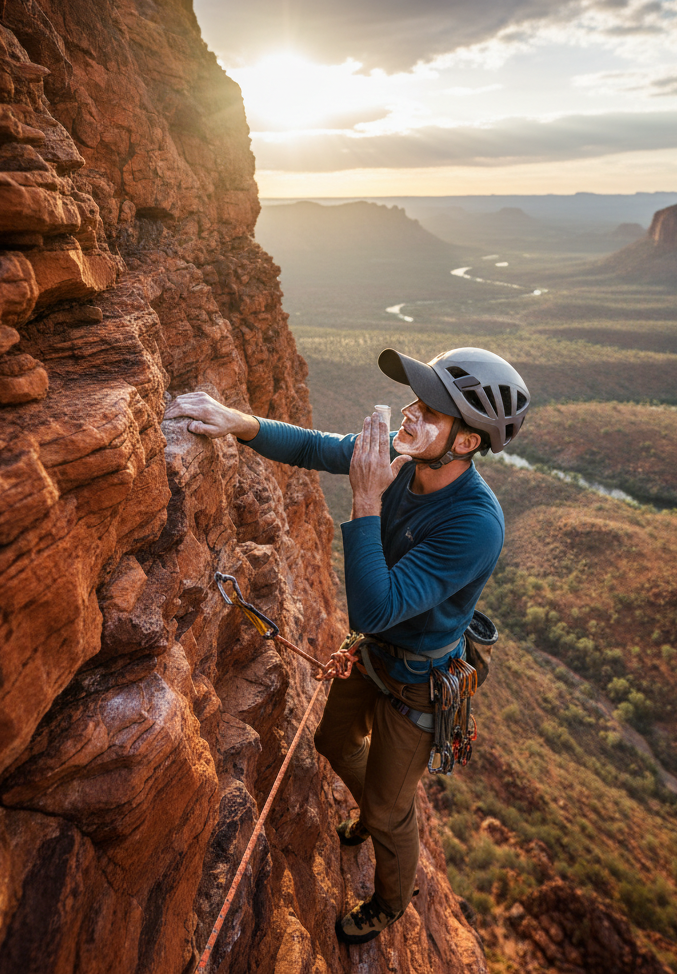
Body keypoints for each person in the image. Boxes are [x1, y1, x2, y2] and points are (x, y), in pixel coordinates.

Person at [164, 347, 530, 944]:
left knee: (390, 813)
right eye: (417, 400)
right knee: (333, 741)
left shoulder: (476, 524)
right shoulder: (405, 459)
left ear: (465, 443)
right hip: (374, 653)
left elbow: (375, 606)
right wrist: (236, 421)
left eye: (430, 411)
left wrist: (366, 499)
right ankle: (373, 803)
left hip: (419, 681)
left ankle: (389, 900)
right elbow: (314, 448)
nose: (410, 415)